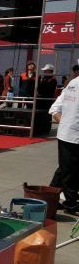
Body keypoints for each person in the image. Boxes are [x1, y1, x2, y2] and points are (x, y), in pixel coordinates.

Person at [48, 76, 79, 214]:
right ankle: (71, 204)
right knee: (70, 171)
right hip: (72, 135)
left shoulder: (72, 83)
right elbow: (55, 108)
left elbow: (55, 109)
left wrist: (65, 123)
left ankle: (49, 198)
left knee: (65, 168)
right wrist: (67, 123)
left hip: (67, 133)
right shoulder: (73, 83)